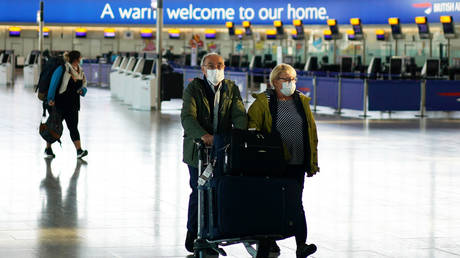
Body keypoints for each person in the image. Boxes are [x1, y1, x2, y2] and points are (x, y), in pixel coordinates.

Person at [247, 63, 319, 258]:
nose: (290, 83)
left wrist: (312, 160)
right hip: (273, 162)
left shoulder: (301, 101)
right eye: (285, 79)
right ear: (274, 81)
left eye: (293, 79)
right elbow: (251, 128)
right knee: (272, 202)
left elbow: (311, 132)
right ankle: (269, 242)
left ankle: (301, 245)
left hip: (298, 161)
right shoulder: (263, 102)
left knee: (296, 202)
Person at [180, 53, 247, 253]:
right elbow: (187, 117)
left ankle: (214, 232)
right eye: (211, 65)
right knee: (198, 189)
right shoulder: (194, 88)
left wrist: (241, 135)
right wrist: (204, 135)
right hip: (198, 149)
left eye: (219, 65)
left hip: (222, 149)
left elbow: (239, 113)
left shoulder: (231, 88)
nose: (215, 69)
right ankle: (194, 232)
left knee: (219, 190)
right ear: (203, 69)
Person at [45, 50, 88, 159]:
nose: (81, 59)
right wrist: (50, 98)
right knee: (54, 126)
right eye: (80, 57)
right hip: (60, 103)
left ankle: (79, 151)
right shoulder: (63, 69)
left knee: (73, 127)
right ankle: (48, 148)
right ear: (76, 59)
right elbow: (53, 83)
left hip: (73, 105)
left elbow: (84, 84)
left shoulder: (80, 71)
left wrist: (83, 90)